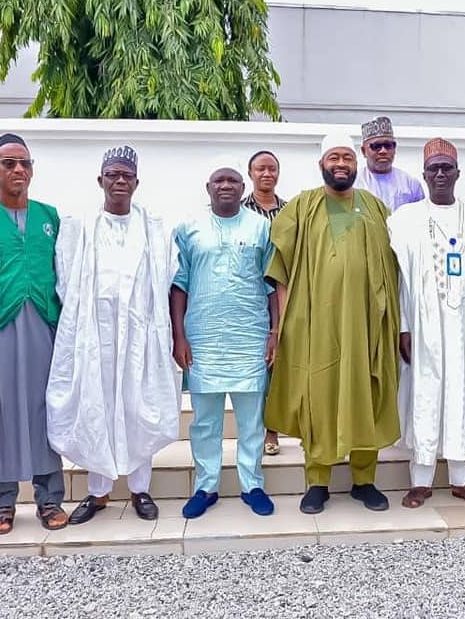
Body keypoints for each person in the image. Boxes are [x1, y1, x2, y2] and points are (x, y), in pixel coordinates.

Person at [266, 133, 401, 515]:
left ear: (357, 163)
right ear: (321, 164)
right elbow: (281, 269)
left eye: (347, 157)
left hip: (366, 325)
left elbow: (394, 266)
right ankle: (317, 482)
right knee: (319, 399)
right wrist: (285, 324)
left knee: (366, 393)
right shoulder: (302, 207)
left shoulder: (375, 207)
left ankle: (364, 480)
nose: (341, 164)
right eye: (333, 157)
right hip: (315, 324)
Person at [46, 146, 180, 524]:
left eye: (127, 176)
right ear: (100, 180)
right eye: (112, 174)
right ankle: (98, 492)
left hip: (140, 335)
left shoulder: (154, 229)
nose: (120, 181)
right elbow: (66, 281)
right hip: (95, 335)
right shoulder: (79, 227)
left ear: (137, 183)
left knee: (137, 407)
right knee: (96, 405)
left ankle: (140, 489)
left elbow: (165, 279)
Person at [0, 133, 68, 534]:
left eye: (25, 163)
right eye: (9, 163)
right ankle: (1, 503)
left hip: (44, 324)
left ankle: (49, 498)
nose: (18, 170)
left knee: (45, 409)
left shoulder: (50, 217)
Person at [390, 138, 465, 508]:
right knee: (424, 394)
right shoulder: (403, 219)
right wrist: (403, 326)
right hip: (421, 324)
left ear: (458, 173)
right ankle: (420, 480)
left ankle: (461, 478)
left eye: (446, 168)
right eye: (433, 169)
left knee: (463, 392)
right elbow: (397, 279)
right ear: (424, 175)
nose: (440, 174)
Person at [171, 159, 277, 519]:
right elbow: (179, 284)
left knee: (251, 420)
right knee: (204, 422)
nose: (226, 185)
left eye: (233, 180)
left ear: (243, 188)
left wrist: (274, 333)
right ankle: (206, 486)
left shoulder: (261, 227)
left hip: (250, 337)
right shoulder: (189, 228)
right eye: (219, 180)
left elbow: (272, 284)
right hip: (202, 339)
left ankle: (253, 485)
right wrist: (179, 336)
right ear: (209, 188)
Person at [241, 150, 287, 457]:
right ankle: (260, 429)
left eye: (272, 169)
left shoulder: (291, 210)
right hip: (251, 296)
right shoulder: (240, 209)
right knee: (260, 363)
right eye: (261, 169)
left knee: (280, 362)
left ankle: (275, 427)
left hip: (283, 291)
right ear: (251, 173)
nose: (267, 174)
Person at [354, 116, 425, 211]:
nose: (383, 151)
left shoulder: (410, 184)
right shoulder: (354, 183)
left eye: (388, 145)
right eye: (376, 146)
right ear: (363, 151)